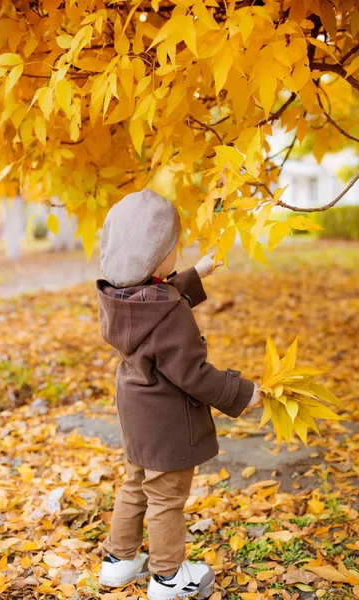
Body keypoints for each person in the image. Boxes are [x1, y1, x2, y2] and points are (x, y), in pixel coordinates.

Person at [95, 189, 261, 600]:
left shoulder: (119, 297)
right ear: (157, 257)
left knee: (136, 483)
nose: (176, 254)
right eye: (172, 248)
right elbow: (194, 373)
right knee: (166, 495)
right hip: (166, 420)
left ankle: (118, 560)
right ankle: (169, 576)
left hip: (136, 414)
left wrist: (196, 274)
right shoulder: (170, 315)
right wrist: (242, 394)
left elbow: (160, 296)